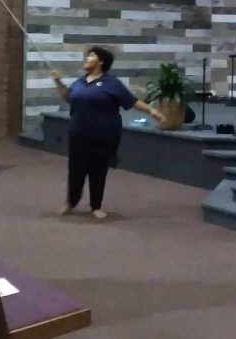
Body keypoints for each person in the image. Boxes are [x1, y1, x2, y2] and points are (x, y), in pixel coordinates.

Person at [52, 46, 162, 220]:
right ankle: (70, 203)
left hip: (103, 135)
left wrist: (151, 111)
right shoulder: (80, 82)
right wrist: (58, 82)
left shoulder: (112, 83)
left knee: (98, 170)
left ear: (101, 61)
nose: (86, 59)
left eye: (91, 56)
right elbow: (68, 97)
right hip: (78, 133)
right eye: (87, 56)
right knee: (75, 170)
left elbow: (132, 101)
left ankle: (96, 206)